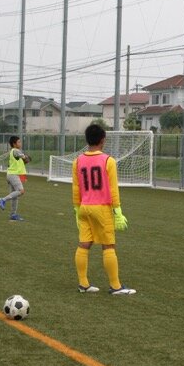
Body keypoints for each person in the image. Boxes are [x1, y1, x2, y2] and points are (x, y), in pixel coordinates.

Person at [72, 124, 136, 295]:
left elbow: (76, 188)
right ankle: (115, 286)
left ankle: (83, 283)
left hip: (84, 207)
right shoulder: (108, 161)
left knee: (84, 244)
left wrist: (76, 209)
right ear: (102, 140)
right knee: (109, 246)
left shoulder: (77, 161)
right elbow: (113, 189)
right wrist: (118, 212)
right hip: (102, 208)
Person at [0, 136, 30, 221]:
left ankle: (13, 214)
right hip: (13, 175)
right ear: (14, 144)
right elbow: (25, 159)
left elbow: (23, 161)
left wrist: (26, 159)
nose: (20, 143)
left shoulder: (13, 152)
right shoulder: (16, 150)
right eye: (18, 142)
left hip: (10, 175)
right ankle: (3, 199)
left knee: (15, 196)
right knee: (21, 191)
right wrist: (27, 158)